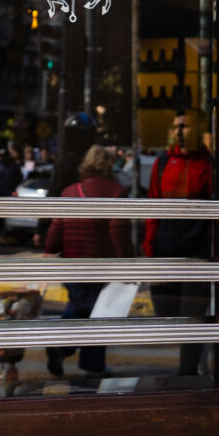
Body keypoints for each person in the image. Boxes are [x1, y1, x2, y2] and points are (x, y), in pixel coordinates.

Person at [44, 144, 133, 376]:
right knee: (97, 314)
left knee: (79, 304)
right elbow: (119, 233)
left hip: (72, 262)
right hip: (100, 264)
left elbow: (56, 226)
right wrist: (129, 263)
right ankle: (86, 360)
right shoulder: (116, 192)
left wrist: (49, 250)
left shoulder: (70, 191)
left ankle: (62, 346)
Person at [143, 109, 213, 376]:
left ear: (198, 130)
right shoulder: (162, 163)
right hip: (165, 252)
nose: (178, 131)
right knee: (166, 314)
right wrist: (150, 257)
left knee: (193, 319)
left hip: (197, 255)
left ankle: (188, 372)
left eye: (184, 126)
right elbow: (153, 210)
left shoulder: (210, 164)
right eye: (175, 127)